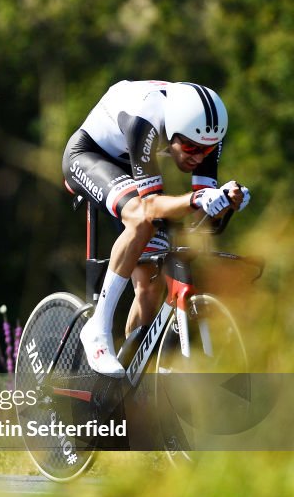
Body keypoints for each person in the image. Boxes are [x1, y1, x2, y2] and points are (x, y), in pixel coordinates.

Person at [64, 80, 251, 376]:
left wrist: (226, 200)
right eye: (190, 148)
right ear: (174, 130)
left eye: (208, 150)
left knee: (150, 285)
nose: (199, 157)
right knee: (140, 220)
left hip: (134, 165)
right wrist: (198, 197)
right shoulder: (146, 119)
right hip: (91, 157)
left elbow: (202, 217)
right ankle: (97, 328)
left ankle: (129, 381)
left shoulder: (205, 130)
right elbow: (150, 207)